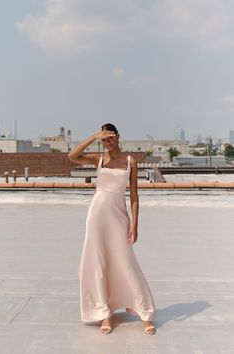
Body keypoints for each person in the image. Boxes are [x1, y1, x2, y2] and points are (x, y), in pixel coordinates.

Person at [68, 123, 156, 335]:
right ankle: (104, 313)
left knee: (126, 263)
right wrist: (94, 136)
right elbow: (72, 155)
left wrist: (135, 224)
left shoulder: (129, 161)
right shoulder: (99, 159)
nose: (107, 142)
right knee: (97, 264)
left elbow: (134, 196)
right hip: (97, 216)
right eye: (104, 139)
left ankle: (144, 312)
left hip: (119, 217)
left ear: (118, 137)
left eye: (110, 137)